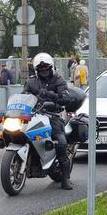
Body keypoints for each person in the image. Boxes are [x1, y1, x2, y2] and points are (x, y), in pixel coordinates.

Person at [22, 53, 73, 190]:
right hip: (34, 115)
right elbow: (23, 96)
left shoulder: (58, 80)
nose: (43, 70)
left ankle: (66, 178)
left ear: (51, 67)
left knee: (61, 143)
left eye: (46, 68)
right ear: (36, 70)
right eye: (40, 69)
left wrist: (50, 95)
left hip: (53, 115)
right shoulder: (31, 81)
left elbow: (65, 99)